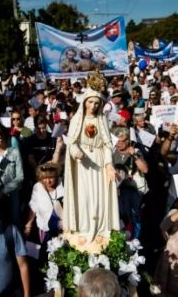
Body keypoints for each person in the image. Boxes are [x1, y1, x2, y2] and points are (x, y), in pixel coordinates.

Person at [64, 72, 120, 247]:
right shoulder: (77, 120)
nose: (94, 106)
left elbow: (107, 144)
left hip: (99, 162)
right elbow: (71, 142)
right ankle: (84, 229)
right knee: (84, 197)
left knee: (99, 197)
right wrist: (76, 152)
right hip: (82, 165)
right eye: (91, 102)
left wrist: (109, 164)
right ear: (85, 102)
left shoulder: (101, 120)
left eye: (97, 103)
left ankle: (99, 230)